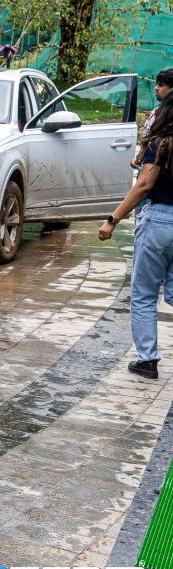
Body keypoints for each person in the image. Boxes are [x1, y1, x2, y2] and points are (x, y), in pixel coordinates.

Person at [99, 89, 173, 378]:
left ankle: (147, 360)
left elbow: (143, 186)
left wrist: (113, 219)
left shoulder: (161, 145)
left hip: (159, 222)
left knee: (143, 294)